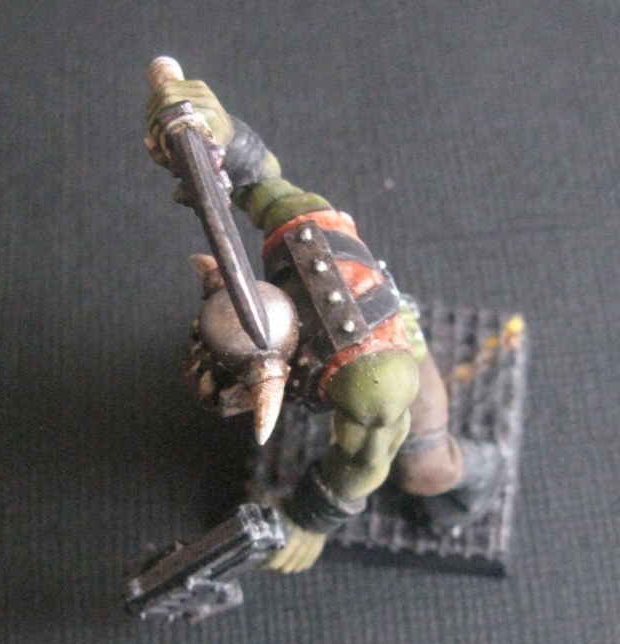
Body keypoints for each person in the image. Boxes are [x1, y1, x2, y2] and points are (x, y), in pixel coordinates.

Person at [145, 66, 504, 573]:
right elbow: (258, 179)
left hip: (393, 364)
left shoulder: (369, 383)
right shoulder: (296, 240)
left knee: (423, 470)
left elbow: (365, 459)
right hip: (338, 360)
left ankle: (485, 467)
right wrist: (216, 132)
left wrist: (310, 519)